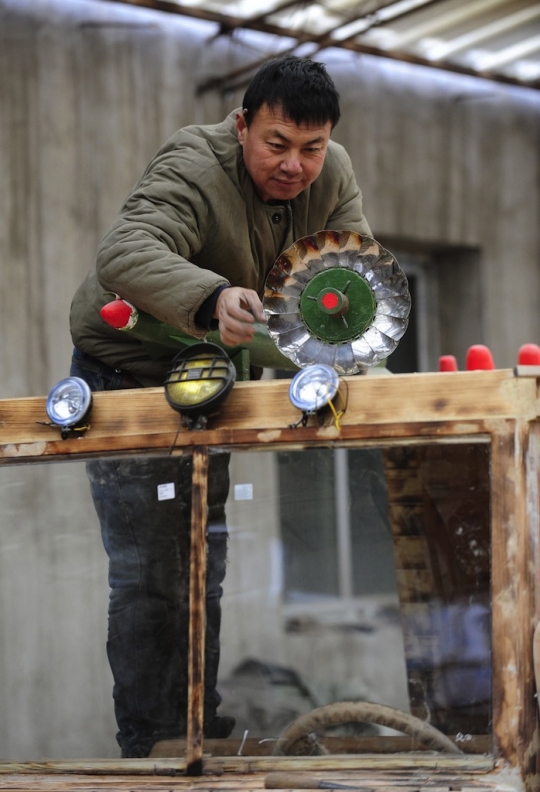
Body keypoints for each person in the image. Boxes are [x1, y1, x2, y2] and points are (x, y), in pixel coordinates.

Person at [69, 54, 371, 758]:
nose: (295, 165)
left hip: (213, 377)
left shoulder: (334, 173)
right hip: (129, 373)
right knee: (149, 570)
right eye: (276, 145)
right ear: (241, 127)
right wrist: (210, 296)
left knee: (205, 559)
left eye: (311, 148)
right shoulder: (193, 160)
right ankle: (150, 746)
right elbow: (125, 250)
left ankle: (196, 730)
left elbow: (350, 271)